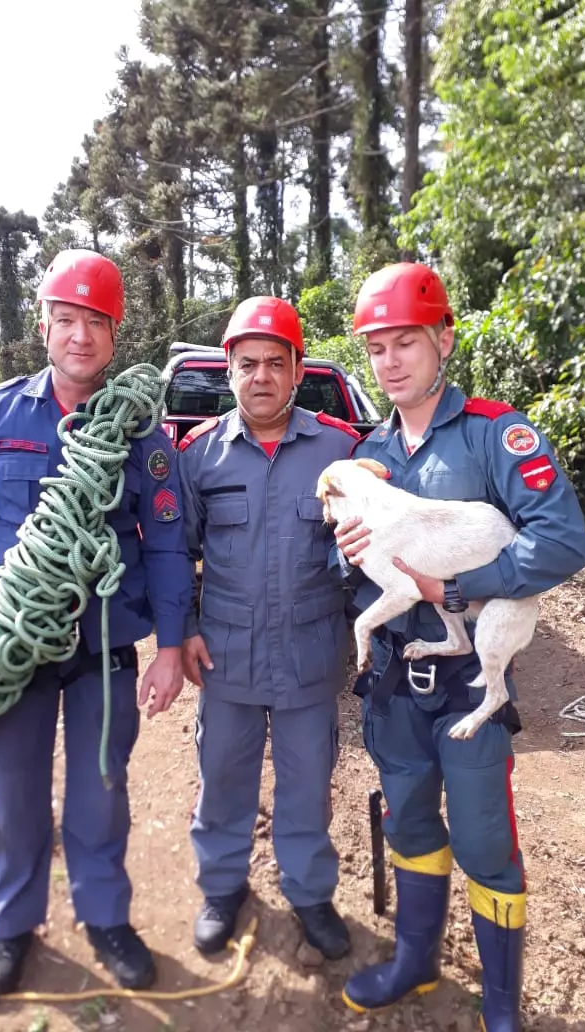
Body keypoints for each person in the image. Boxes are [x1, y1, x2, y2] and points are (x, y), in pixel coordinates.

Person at [0, 249, 191, 998]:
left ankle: (106, 919)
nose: (80, 337)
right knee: (15, 791)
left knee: (101, 790)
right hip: (15, 646)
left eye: (96, 322)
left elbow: (164, 545)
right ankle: (10, 926)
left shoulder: (142, 435)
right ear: (44, 327)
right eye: (67, 320)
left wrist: (166, 645)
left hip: (104, 648)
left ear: (114, 334)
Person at [334, 263, 585, 1030]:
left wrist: (462, 586)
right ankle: (414, 963)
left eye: (405, 342)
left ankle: (503, 1006)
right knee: (409, 822)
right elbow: (344, 565)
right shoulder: (365, 453)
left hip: (467, 680)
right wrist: (341, 550)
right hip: (393, 683)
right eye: (376, 348)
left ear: (443, 339)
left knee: (483, 839)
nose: (389, 362)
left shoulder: (492, 434)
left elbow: (562, 540)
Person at [178, 296, 358, 961]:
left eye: (275, 364)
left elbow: (365, 557)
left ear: (297, 369)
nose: (261, 377)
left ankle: (310, 894)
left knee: (308, 781)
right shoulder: (201, 455)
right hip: (225, 656)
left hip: (311, 656)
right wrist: (186, 627)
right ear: (229, 370)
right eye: (248, 363)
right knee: (223, 776)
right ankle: (222, 889)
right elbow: (178, 552)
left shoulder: (340, 451)